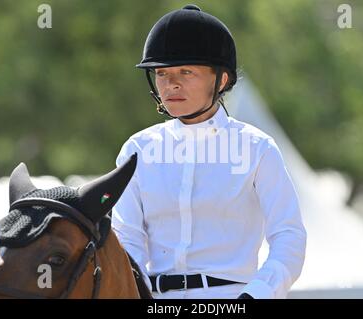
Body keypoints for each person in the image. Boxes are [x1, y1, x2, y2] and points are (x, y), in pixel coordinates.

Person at [111, 4, 306, 299]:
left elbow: (288, 236)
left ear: (222, 80)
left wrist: (257, 295)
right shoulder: (137, 150)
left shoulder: (258, 149)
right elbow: (127, 239)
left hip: (232, 298)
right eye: (162, 73)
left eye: (186, 72)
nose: (171, 84)